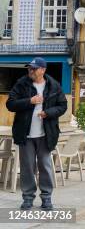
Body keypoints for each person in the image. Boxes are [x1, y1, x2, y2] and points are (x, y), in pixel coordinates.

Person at [6, 57, 67, 210]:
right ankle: (27, 198)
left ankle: (46, 197)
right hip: (25, 135)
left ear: (43, 70)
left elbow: (63, 106)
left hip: (46, 134)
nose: (30, 71)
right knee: (27, 168)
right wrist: (29, 101)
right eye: (29, 68)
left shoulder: (54, 85)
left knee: (45, 167)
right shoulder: (22, 84)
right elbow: (10, 104)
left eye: (33, 68)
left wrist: (48, 113)